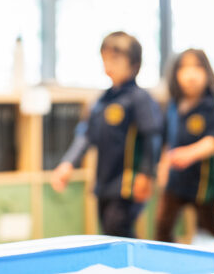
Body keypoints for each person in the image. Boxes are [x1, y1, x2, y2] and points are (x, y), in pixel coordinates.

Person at [51, 31, 162, 238]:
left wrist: (147, 174)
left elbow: (152, 137)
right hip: (104, 183)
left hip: (128, 183)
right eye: (105, 59)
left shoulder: (139, 99)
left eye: (115, 59)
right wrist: (68, 163)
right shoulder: (102, 101)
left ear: (134, 63)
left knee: (118, 226)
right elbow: (85, 135)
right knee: (108, 231)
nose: (108, 65)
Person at [155, 49, 214, 242]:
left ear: (207, 72)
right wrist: (163, 167)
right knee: (163, 225)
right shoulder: (173, 106)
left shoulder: (210, 107)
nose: (191, 74)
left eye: (197, 67)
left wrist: (190, 154)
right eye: (184, 68)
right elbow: (167, 140)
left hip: (203, 182)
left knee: (210, 224)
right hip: (176, 180)